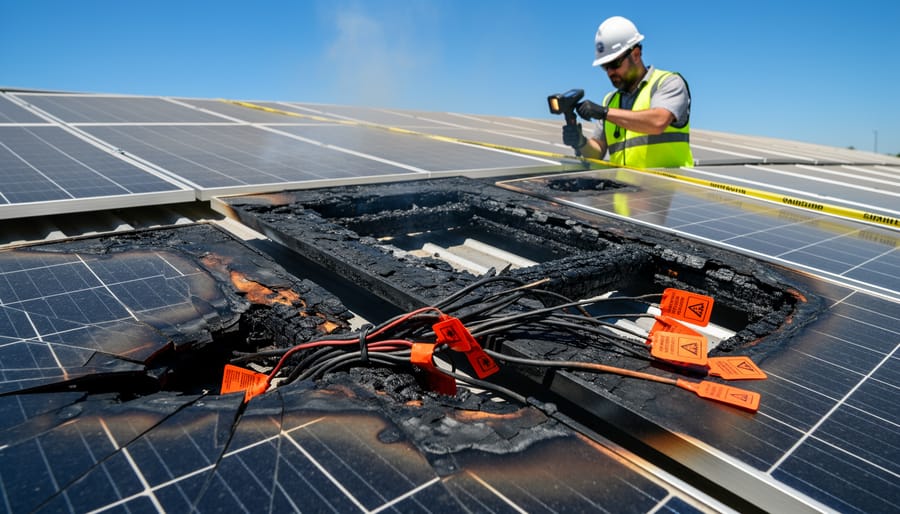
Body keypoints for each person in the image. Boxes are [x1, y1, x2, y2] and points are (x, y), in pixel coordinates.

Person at [563, 16, 694, 168]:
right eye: (605, 67)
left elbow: (658, 122)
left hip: (668, 190)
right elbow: (597, 152)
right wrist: (580, 142)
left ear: (636, 55)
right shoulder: (610, 101)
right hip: (625, 189)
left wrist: (605, 113)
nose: (610, 72)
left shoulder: (667, 83)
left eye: (614, 63)